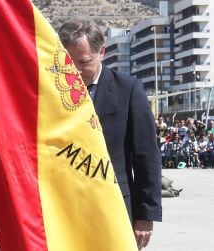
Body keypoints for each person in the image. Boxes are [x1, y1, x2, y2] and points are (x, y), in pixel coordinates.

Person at [59, 19, 161, 250]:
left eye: (84, 62)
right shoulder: (54, 90)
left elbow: (146, 156)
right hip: (65, 207)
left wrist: (146, 214)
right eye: (68, 62)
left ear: (101, 52)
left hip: (114, 207)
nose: (75, 70)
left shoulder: (128, 89)